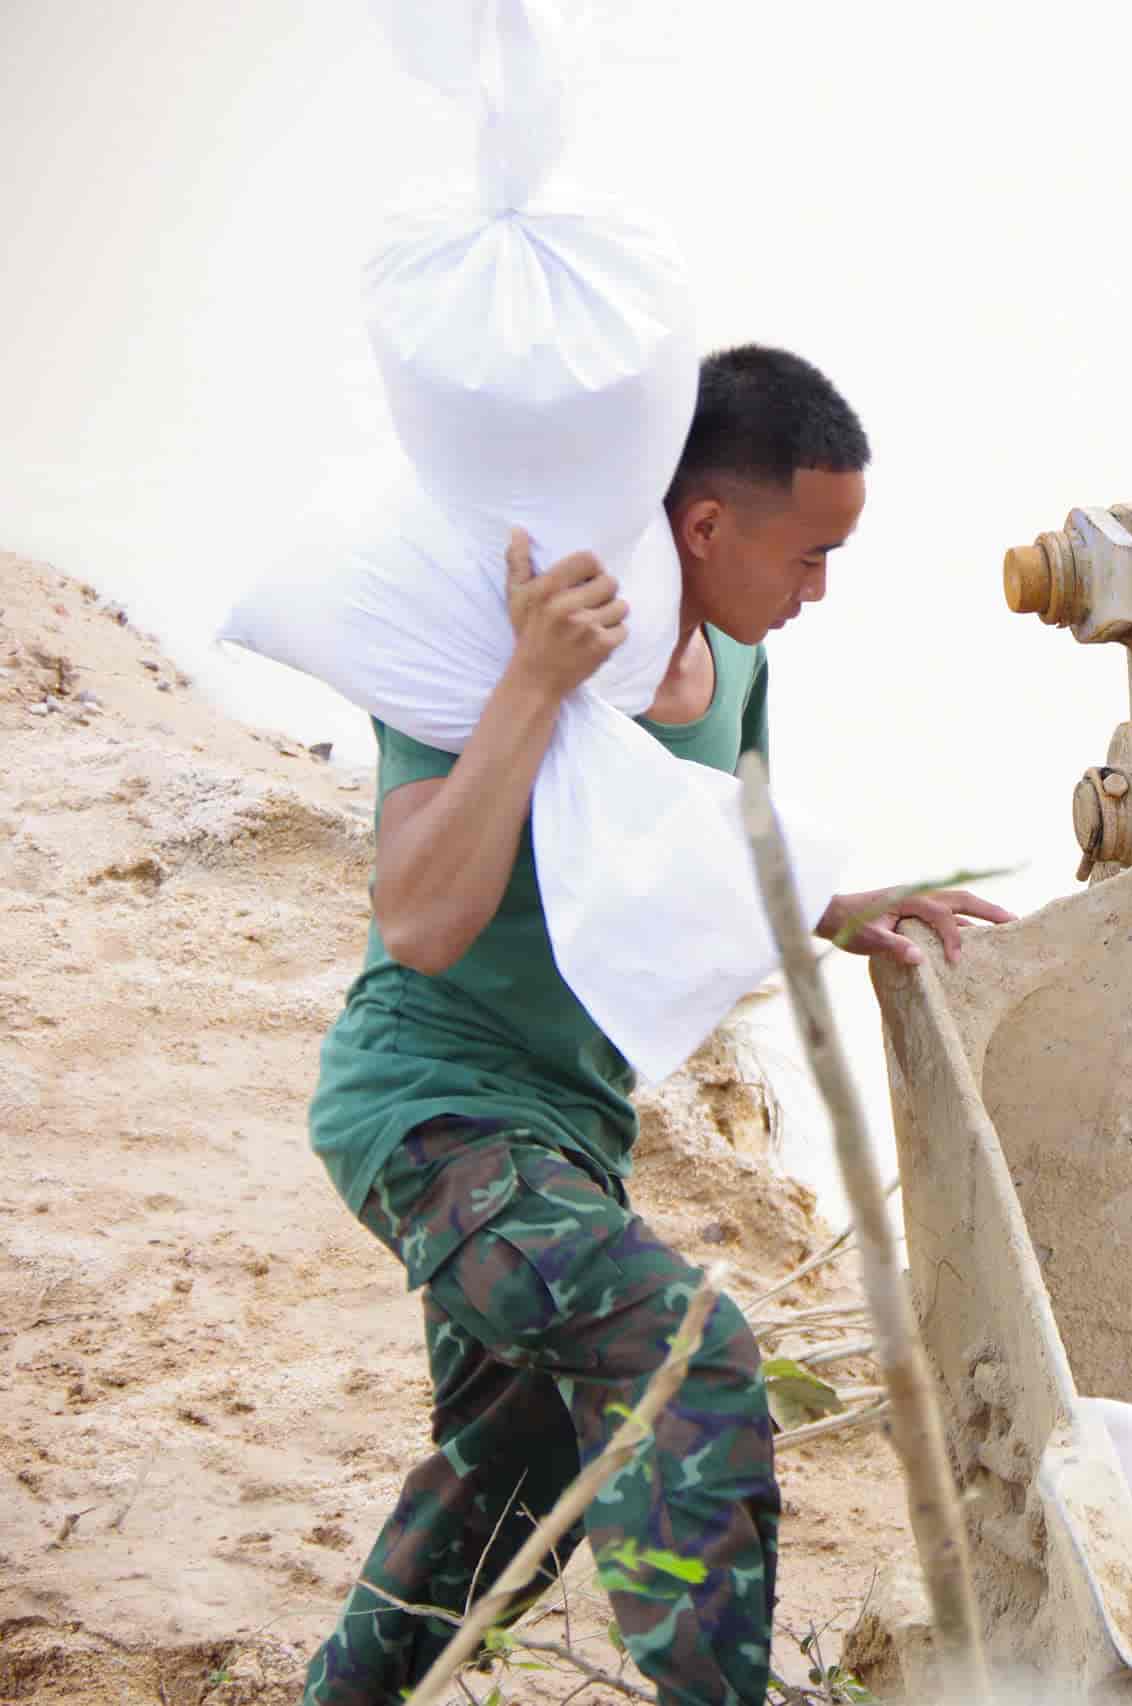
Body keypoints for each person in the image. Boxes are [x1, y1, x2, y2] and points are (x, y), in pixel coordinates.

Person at [300, 344, 1012, 1704]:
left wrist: (842, 905)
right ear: (705, 523)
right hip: (430, 1108)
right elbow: (418, 918)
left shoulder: (734, 669)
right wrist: (531, 685)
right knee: (678, 1344)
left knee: (515, 1477)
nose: (818, 593)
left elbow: (690, 848)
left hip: (573, 1131)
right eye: (807, 555)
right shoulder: (488, 637)